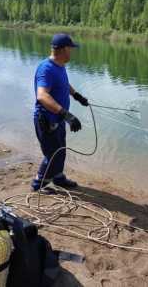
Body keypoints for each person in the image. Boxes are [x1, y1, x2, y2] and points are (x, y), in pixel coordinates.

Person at [31, 33, 89, 192]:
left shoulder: (59, 66)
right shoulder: (47, 68)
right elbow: (42, 96)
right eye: (70, 49)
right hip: (47, 120)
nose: (72, 52)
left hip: (58, 119)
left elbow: (63, 83)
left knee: (61, 150)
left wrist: (77, 96)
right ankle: (38, 184)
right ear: (63, 49)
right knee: (52, 155)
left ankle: (58, 178)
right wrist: (67, 115)